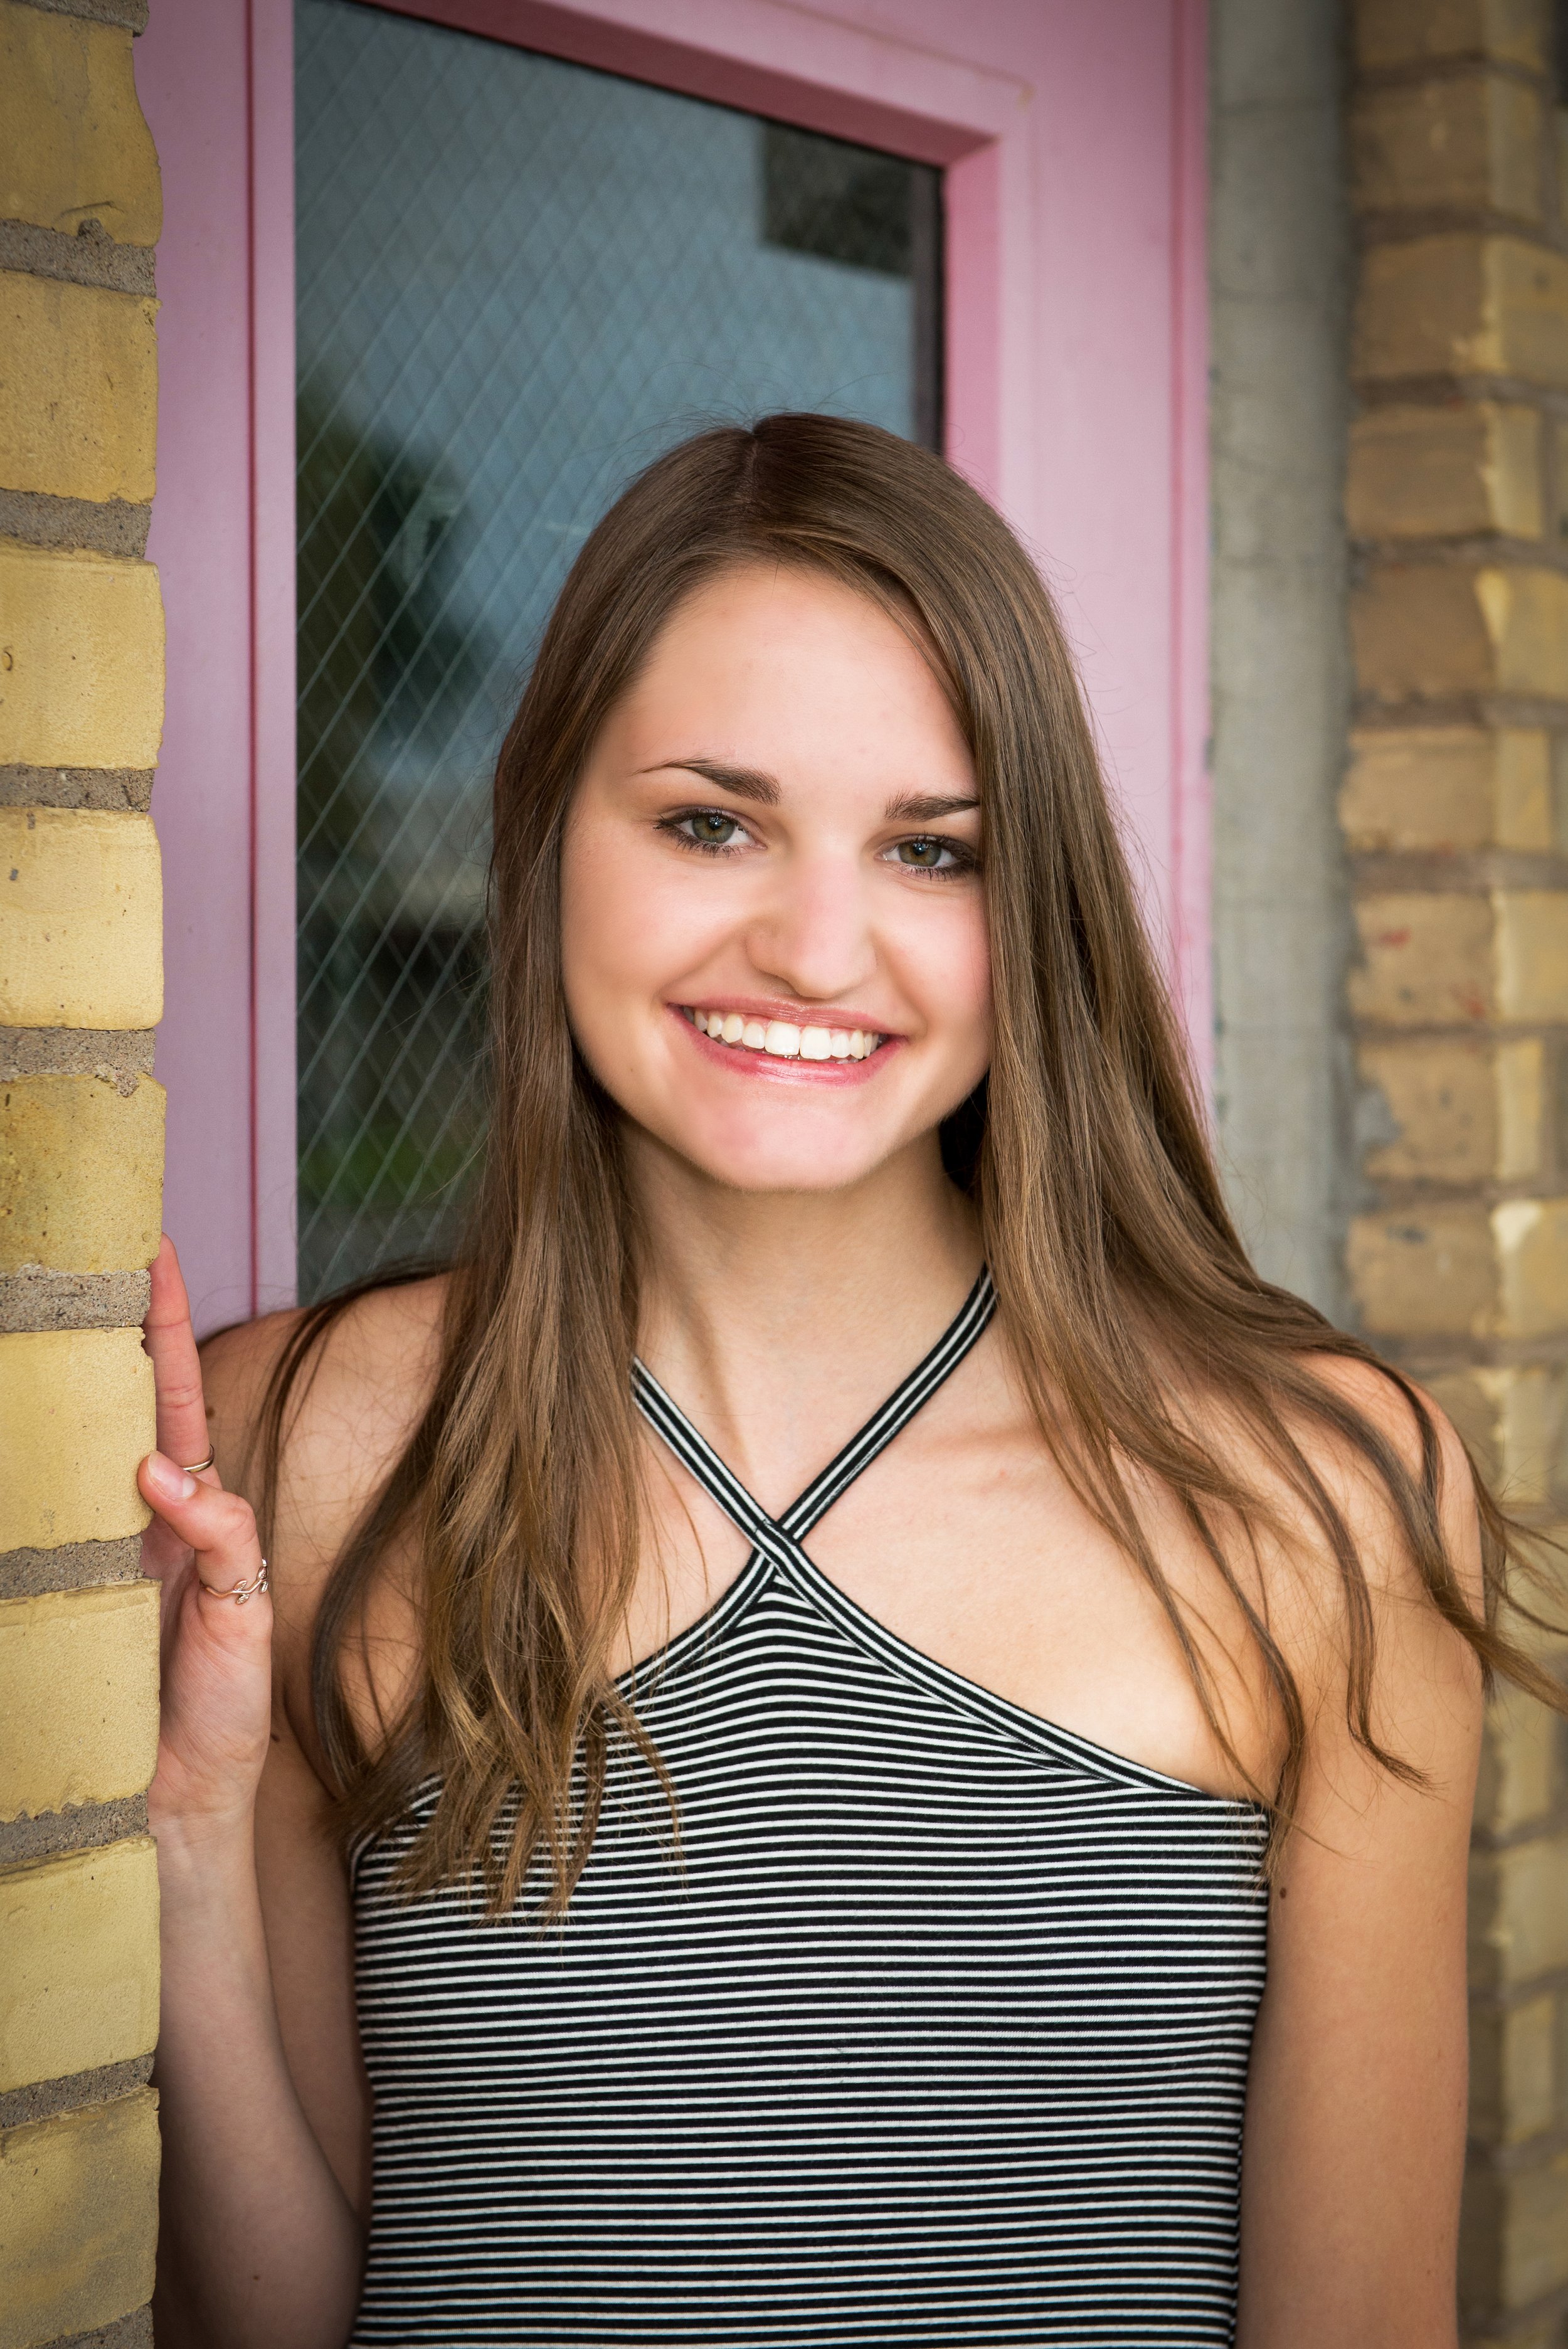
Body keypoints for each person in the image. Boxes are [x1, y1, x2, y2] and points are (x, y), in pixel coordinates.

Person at [138, 415, 1559, 2349]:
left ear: (1028, 902)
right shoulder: (308, 1448)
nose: (815, 946)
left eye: (931, 849)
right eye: (709, 820)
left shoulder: (1307, 1491)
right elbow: (278, 2319)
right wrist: (185, 1845)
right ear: (551, 828)